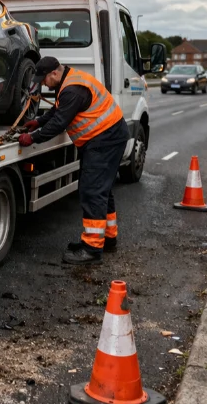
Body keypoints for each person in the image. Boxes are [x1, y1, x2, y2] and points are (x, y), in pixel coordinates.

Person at [18, 56, 129, 265]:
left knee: (92, 191)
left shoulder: (72, 89)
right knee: (101, 191)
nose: (43, 84)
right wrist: (39, 121)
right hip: (107, 138)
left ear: (54, 74)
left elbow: (60, 122)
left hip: (105, 140)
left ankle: (92, 249)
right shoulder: (69, 81)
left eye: (44, 80)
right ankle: (108, 238)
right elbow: (58, 110)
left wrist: (32, 138)